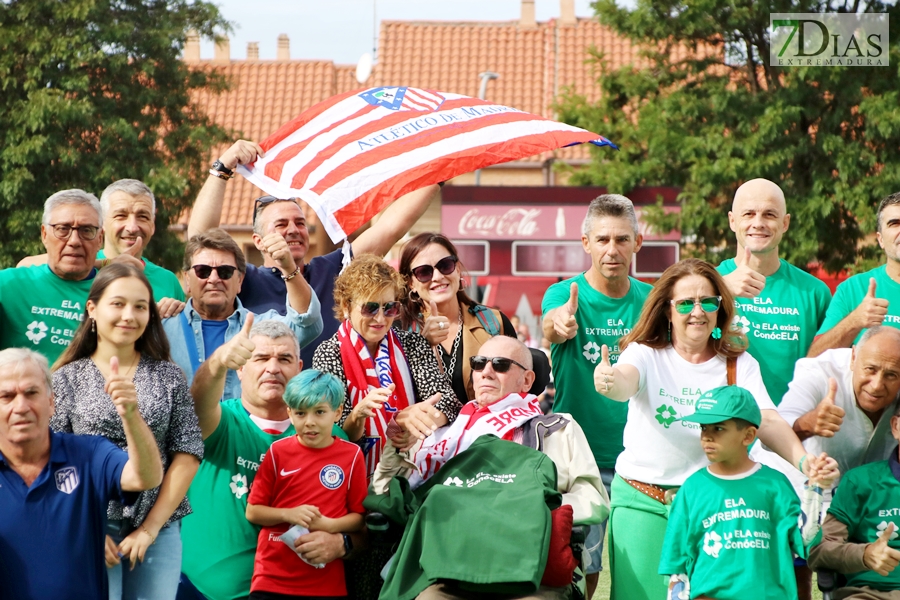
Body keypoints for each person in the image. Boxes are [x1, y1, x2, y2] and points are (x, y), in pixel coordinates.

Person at [593, 258, 837, 600]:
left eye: (708, 301)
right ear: (666, 310)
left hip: (715, 504)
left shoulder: (740, 363)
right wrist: (607, 380)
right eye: (685, 303)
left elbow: (765, 419)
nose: (698, 311)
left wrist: (803, 462)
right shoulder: (644, 353)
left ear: (720, 309)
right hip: (642, 501)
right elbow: (623, 383)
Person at [371, 335, 609, 600]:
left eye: (500, 364)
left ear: (527, 380)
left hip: (528, 565)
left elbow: (592, 498)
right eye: (479, 363)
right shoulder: (441, 434)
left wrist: (527, 510)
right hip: (447, 566)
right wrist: (396, 443)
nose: (486, 372)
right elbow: (386, 493)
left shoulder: (557, 428)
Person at [187, 139, 439, 367]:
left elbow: (391, 227)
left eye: (300, 223)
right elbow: (201, 242)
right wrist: (222, 168)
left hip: (330, 408)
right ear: (258, 241)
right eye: (281, 225)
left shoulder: (332, 269)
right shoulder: (244, 280)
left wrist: (441, 167)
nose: (294, 230)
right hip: (265, 405)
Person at [49, 262, 204, 600]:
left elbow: (188, 453)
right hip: (88, 527)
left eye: (140, 306)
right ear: (92, 308)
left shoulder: (168, 376)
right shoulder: (64, 380)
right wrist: (83, 527)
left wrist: (149, 530)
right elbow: (51, 461)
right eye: (117, 304)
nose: (129, 315)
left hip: (157, 529)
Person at [179, 321, 356, 600]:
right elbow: (198, 407)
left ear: (299, 369)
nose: (272, 368)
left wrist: (342, 544)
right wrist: (217, 362)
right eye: (260, 358)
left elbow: (361, 523)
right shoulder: (222, 422)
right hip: (205, 593)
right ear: (240, 367)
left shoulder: (333, 436)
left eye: (284, 359)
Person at [541, 193, 651, 597]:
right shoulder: (563, 294)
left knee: (636, 571)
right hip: (579, 459)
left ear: (637, 243)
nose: (612, 249)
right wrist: (561, 324)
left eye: (622, 239)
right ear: (585, 243)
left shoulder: (651, 301)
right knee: (579, 571)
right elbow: (552, 325)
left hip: (638, 460)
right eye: (602, 239)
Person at [0, 347, 162, 600]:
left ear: (52, 402)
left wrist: (131, 415)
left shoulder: (89, 453)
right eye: (6, 396)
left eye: (31, 393)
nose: (21, 406)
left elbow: (145, 477)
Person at [659, 385, 829, 600]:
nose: (707, 437)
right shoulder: (692, 488)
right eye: (704, 428)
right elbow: (677, 563)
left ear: (748, 436)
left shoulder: (774, 485)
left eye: (718, 428)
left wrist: (815, 488)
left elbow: (805, 541)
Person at [312, 253, 460, 479]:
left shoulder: (412, 344)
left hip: (412, 477)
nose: (380, 318)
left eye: (389, 308)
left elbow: (449, 404)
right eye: (370, 308)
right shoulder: (329, 352)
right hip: (349, 477)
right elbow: (331, 428)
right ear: (346, 306)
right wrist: (358, 417)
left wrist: (418, 424)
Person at [245, 369, 367, 600]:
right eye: (301, 413)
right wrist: (290, 514)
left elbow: (358, 517)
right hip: (271, 580)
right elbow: (253, 511)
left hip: (326, 584)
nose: (309, 422)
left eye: (319, 412)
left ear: (337, 411)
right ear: (290, 414)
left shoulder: (352, 456)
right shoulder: (277, 451)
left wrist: (327, 525)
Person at [162, 228, 322, 400]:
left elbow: (306, 323)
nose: (214, 279)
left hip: (242, 427)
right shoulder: (162, 328)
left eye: (225, 272)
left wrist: (289, 268)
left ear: (239, 280)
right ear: (187, 279)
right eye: (203, 271)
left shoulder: (260, 327)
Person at [717, 178, 831, 404]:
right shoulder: (703, 283)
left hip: (793, 425)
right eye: (748, 214)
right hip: (725, 425)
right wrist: (720, 289)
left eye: (769, 214)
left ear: (785, 223)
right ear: (732, 220)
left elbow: (832, 363)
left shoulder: (814, 292)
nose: (758, 223)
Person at [754, 325, 900, 496]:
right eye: (870, 369)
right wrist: (808, 424)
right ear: (853, 357)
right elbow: (769, 434)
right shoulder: (820, 371)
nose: (876, 386)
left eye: (891, 375)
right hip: (785, 490)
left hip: (857, 501)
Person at [0, 189, 138, 363]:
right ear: (44, 234)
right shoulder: (8, 286)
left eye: (86, 230)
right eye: (63, 229)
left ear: (99, 239)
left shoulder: (120, 294)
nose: (74, 241)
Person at [16, 179, 186, 318]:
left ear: (153, 224)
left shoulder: (168, 281)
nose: (132, 227)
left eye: (142, 216)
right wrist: (107, 264)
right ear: (101, 222)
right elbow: (26, 265)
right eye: (121, 215)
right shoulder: (78, 263)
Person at [397, 232, 516, 403]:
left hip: (485, 428)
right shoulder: (398, 331)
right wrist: (422, 344)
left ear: (458, 268)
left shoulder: (494, 322)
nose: (437, 277)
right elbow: (396, 395)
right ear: (411, 283)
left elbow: (517, 385)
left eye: (445, 265)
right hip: (427, 429)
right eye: (424, 272)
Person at [808, 400, 900, 600]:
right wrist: (865, 555)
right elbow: (820, 551)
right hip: (871, 594)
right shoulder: (860, 482)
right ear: (896, 426)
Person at [810, 191, 900, 356]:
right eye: (894, 223)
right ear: (880, 239)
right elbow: (814, 360)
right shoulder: (853, 289)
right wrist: (855, 321)